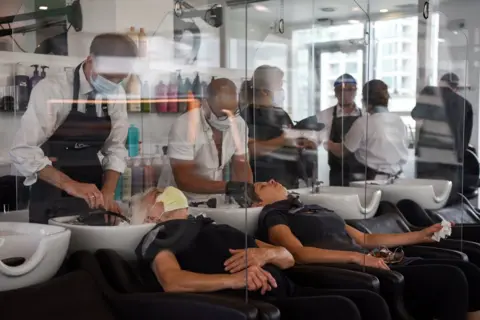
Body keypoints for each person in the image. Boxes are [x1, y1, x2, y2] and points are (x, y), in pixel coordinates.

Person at [133, 186, 391, 320]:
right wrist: (236, 280)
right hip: (259, 304)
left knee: (372, 301)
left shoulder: (211, 225)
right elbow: (172, 281)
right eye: (158, 195)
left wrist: (265, 255)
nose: (166, 195)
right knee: (343, 309)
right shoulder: (160, 235)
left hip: (290, 288)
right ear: (148, 212)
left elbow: (288, 257)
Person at [254, 179, 480, 320]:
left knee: (468, 270)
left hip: (378, 261)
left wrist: (420, 235)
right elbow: (299, 253)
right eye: (263, 185)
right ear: (257, 204)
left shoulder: (312, 208)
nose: (272, 180)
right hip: (357, 272)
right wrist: (356, 258)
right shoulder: (274, 216)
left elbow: (363, 237)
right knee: (453, 277)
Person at [10, 33, 137, 223]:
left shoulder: (116, 94)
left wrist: (108, 193)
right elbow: (22, 150)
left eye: (118, 80)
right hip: (50, 197)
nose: (112, 84)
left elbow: (115, 149)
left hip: (93, 199)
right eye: (107, 77)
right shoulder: (53, 90)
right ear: (90, 60)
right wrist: (71, 185)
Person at [163, 78, 257, 207]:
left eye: (233, 113)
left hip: (214, 200)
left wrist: (247, 190)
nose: (229, 120)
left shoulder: (239, 124)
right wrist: (228, 187)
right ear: (205, 104)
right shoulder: (185, 125)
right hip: (179, 201)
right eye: (223, 115)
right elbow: (184, 178)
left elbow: (241, 164)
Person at [240, 65, 316, 189]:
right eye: (279, 86)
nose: (282, 90)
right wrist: (283, 140)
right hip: (265, 185)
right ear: (264, 91)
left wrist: (301, 143)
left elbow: (288, 142)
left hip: (289, 182)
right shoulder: (248, 116)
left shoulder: (281, 114)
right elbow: (251, 150)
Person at [326, 80, 408, 181]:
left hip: (375, 181)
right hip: (399, 178)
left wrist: (326, 142)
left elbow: (342, 151)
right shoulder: (398, 121)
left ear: (366, 100)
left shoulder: (364, 122)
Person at [412, 73, 474, 203]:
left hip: (427, 158)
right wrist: (459, 156)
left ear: (440, 83)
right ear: (456, 87)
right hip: (451, 160)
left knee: (426, 199)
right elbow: (465, 138)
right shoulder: (465, 104)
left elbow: (415, 114)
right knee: (448, 199)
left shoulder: (430, 96)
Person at [315, 74, 363, 186]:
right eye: (341, 90)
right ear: (335, 92)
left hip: (362, 172)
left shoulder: (365, 115)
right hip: (337, 173)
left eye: (350, 89)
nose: (346, 93)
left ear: (355, 91)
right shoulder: (324, 115)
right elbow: (316, 139)